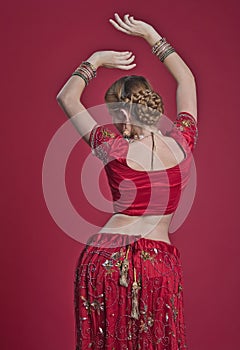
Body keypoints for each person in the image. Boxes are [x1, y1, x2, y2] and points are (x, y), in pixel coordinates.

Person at [56, 13, 198, 350]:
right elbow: (187, 81)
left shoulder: (114, 148)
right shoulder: (183, 142)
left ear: (120, 113)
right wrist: (152, 37)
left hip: (106, 261)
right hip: (159, 266)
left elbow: (66, 98)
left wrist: (95, 61)